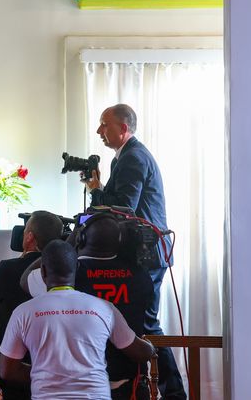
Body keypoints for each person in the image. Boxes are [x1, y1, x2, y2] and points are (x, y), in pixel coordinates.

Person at [83, 104, 185, 399]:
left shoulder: (133, 157)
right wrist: (97, 188)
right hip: (140, 251)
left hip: (147, 252)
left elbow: (125, 205)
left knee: (147, 324)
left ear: (123, 128)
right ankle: (140, 386)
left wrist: (98, 192)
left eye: (104, 125)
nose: (99, 131)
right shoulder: (123, 157)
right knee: (138, 322)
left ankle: (174, 392)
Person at [0, 241, 155, 400]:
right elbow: (140, 353)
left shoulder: (23, 312)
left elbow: (7, 371)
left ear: (43, 271)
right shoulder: (104, 308)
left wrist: (51, 375)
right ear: (77, 268)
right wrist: (150, 347)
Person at [0, 211, 63, 400]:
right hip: (51, 354)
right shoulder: (64, 271)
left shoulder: (9, 268)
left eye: (25, 231)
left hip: (13, 357)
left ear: (30, 237)